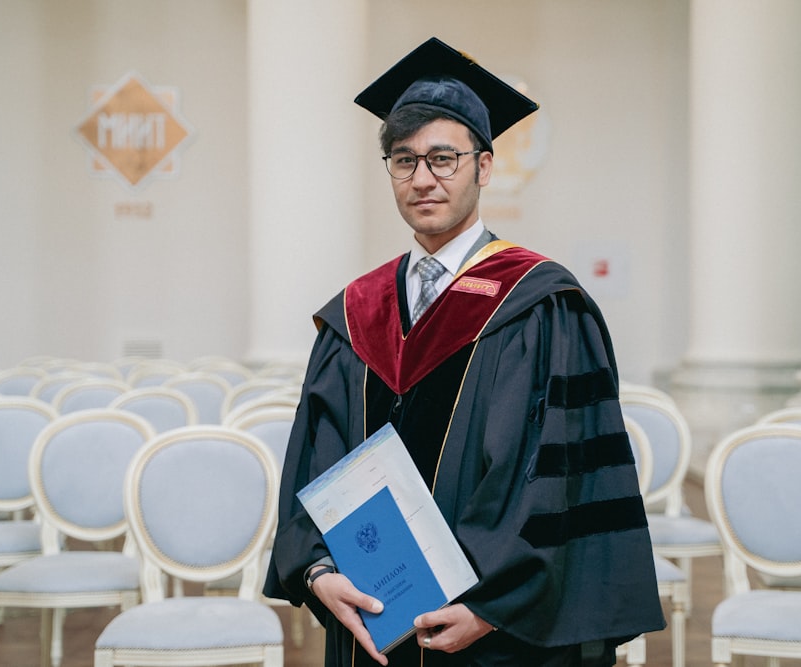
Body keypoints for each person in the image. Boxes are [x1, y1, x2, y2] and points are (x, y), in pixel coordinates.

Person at [264, 37, 665, 667]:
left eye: (443, 159)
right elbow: (318, 458)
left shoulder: (540, 304)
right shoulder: (355, 312)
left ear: (484, 166)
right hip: (374, 622)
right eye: (403, 161)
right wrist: (317, 571)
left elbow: (560, 483)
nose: (422, 178)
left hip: (499, 632)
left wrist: (490, 605)